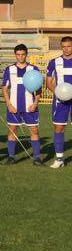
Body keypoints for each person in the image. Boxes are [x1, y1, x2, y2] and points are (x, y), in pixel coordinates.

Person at [1, 44, 42, 165]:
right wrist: (9, 104)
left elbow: (38, 88)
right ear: (15, 55)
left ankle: (37, 158)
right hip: (14, 107)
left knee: (34, 130)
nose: (20, 57)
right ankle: (11, 157)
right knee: (13, 130)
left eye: (23, 54)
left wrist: (35, 103)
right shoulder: (9, 69)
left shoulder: (34, 69)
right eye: (18, 54)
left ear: (26, 54)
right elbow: (4, 88)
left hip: (30, 107)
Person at [45, 35, 72, 169]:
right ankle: (60, 159)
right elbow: (48, 82)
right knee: (59, 128)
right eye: (64, 46)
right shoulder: (54, 62)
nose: (66, 49)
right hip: (60, 101)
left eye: (69, 46)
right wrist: (58, 92)